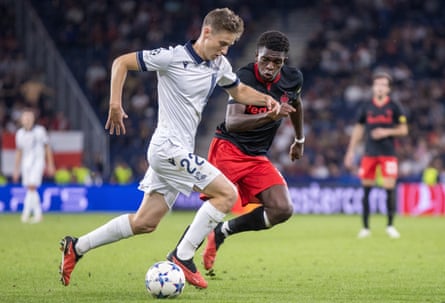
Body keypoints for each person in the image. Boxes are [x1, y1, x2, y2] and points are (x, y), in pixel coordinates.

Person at [59, 8, 281, 289]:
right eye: (222, 43)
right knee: (226, 194)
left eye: (230, 45)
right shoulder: (172, 57)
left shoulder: (218, 65)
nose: (224, 50)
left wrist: (266, 100)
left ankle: (76, 247)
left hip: (179, 151)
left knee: (145, 222)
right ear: (207, 32)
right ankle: (183, 255)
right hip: (167, 148)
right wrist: (115, 103)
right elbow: (121, 63)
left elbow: (238, 91)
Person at [174, 30, 303, 272]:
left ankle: (222, 232)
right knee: (216, 205)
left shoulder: (293, 78)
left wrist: (300, 138)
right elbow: (233, 122)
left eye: (277, 61)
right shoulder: (244, 76)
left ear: (284, 61)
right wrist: (271, 114)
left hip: (256, 155)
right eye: (265, 59)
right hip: (229, 148)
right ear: (257, 55)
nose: (270, 66)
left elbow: (296, 102)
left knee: (282, 209)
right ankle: (181, 257)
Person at [344, 71, 408, 239]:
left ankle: (390, 225)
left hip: (388, 154)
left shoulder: (394, 106)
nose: (379, 87)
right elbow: (358, 130)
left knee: (389, 189)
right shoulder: (366, 106)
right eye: (377, 84)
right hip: (369, 153)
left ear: (388, 89)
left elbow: (404, 130)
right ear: (373, 87)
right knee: (366, 190)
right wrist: (350, 151)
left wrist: (386, 131)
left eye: (383, 85)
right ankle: (365, 227)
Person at [13, 108, 55, 223]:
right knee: (30, 189)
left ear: (33, 119)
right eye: (25, 118)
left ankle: (26, 214)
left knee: (32, 187)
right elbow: (19, 152)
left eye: (29, 118)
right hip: (26, 164)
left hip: (38, 162)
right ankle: (38, 214)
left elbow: (47, 147)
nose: (27, 120)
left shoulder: (40, 131)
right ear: (21, 120)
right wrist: (16, 169)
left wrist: (50, 164)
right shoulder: (19, 134)